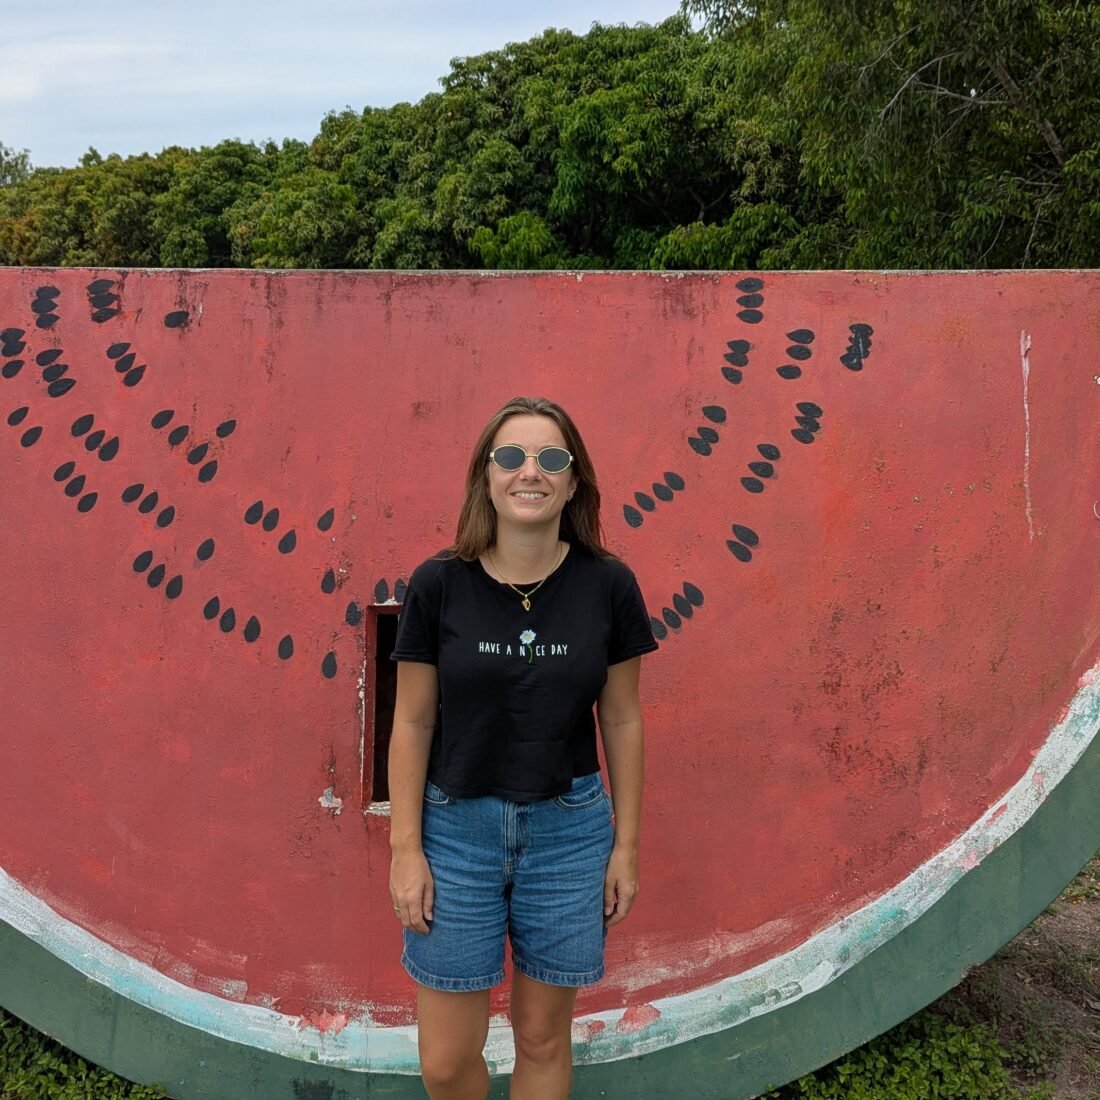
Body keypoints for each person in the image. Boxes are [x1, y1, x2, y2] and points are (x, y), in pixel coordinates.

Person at [388, 395, 658, 1100]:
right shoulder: (437, 585)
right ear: (485, 476)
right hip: (456, 831)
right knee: (446, 1061)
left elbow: (622, 720)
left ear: (574, 482)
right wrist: (405, 848)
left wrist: (625, 846)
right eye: (510, 456)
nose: (528, 472)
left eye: (551, 458)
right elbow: (412, 723)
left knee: (541, 1039)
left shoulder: (610, 586)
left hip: (569, 833)